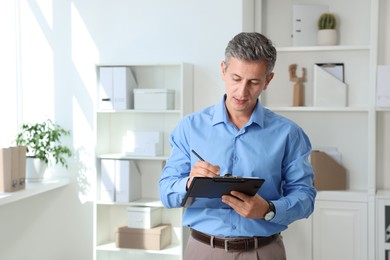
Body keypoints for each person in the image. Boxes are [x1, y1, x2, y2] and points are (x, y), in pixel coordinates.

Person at [159, 32, 316, 260]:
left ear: (268, 80)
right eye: (236, 78)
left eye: (253, 82)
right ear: (223, 69)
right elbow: (166, 193)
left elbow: (305, 196)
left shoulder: (289, 133)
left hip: (263, 251)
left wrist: (269, 210)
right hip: (203, 250)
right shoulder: (190, 127)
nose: (242, 92)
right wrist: (188, 183)